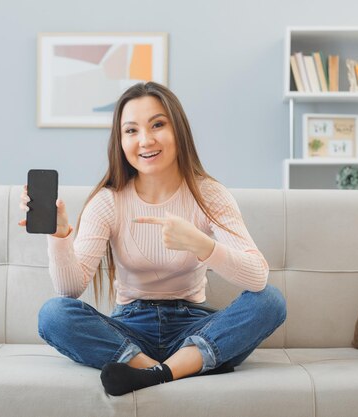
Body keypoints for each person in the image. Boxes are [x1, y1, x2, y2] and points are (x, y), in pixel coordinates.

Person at [18, 82, 287, 396]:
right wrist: (59, 235)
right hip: (131, 328)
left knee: (270, 301)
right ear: (120, 141)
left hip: (195, 326)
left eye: (157, 125)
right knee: (54, 314)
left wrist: (201, 244)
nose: (145, 140)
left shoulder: (209, 195)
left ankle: (148, 373)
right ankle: (174, 369)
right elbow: (69, 289)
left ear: (178, 131)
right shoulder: (108, 201)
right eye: (131, 131)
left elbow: (257, 277)